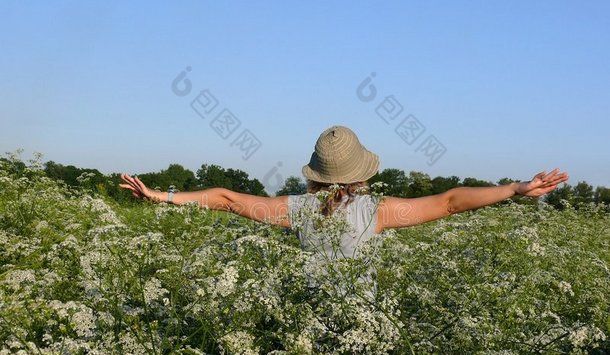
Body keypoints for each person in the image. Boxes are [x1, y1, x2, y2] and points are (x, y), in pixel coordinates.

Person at [119, 125, 569, 260]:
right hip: (363, 331)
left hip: (304, 328)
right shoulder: (378, 211)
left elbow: (224, 199)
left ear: (315, 173)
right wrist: (514, 187)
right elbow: (451, 201)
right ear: (363, 173)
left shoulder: (292, 210)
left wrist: (162, 195)